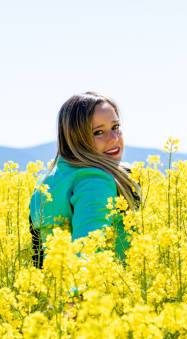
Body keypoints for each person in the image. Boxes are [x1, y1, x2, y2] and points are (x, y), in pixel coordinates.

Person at [28, 92, 141, 269]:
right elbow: (87, 253)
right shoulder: (95, 181)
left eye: (115, 127)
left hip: (54, 289)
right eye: (98, 132)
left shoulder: (48, 181)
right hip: (98, 293)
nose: (114, 138)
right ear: (76, 138)